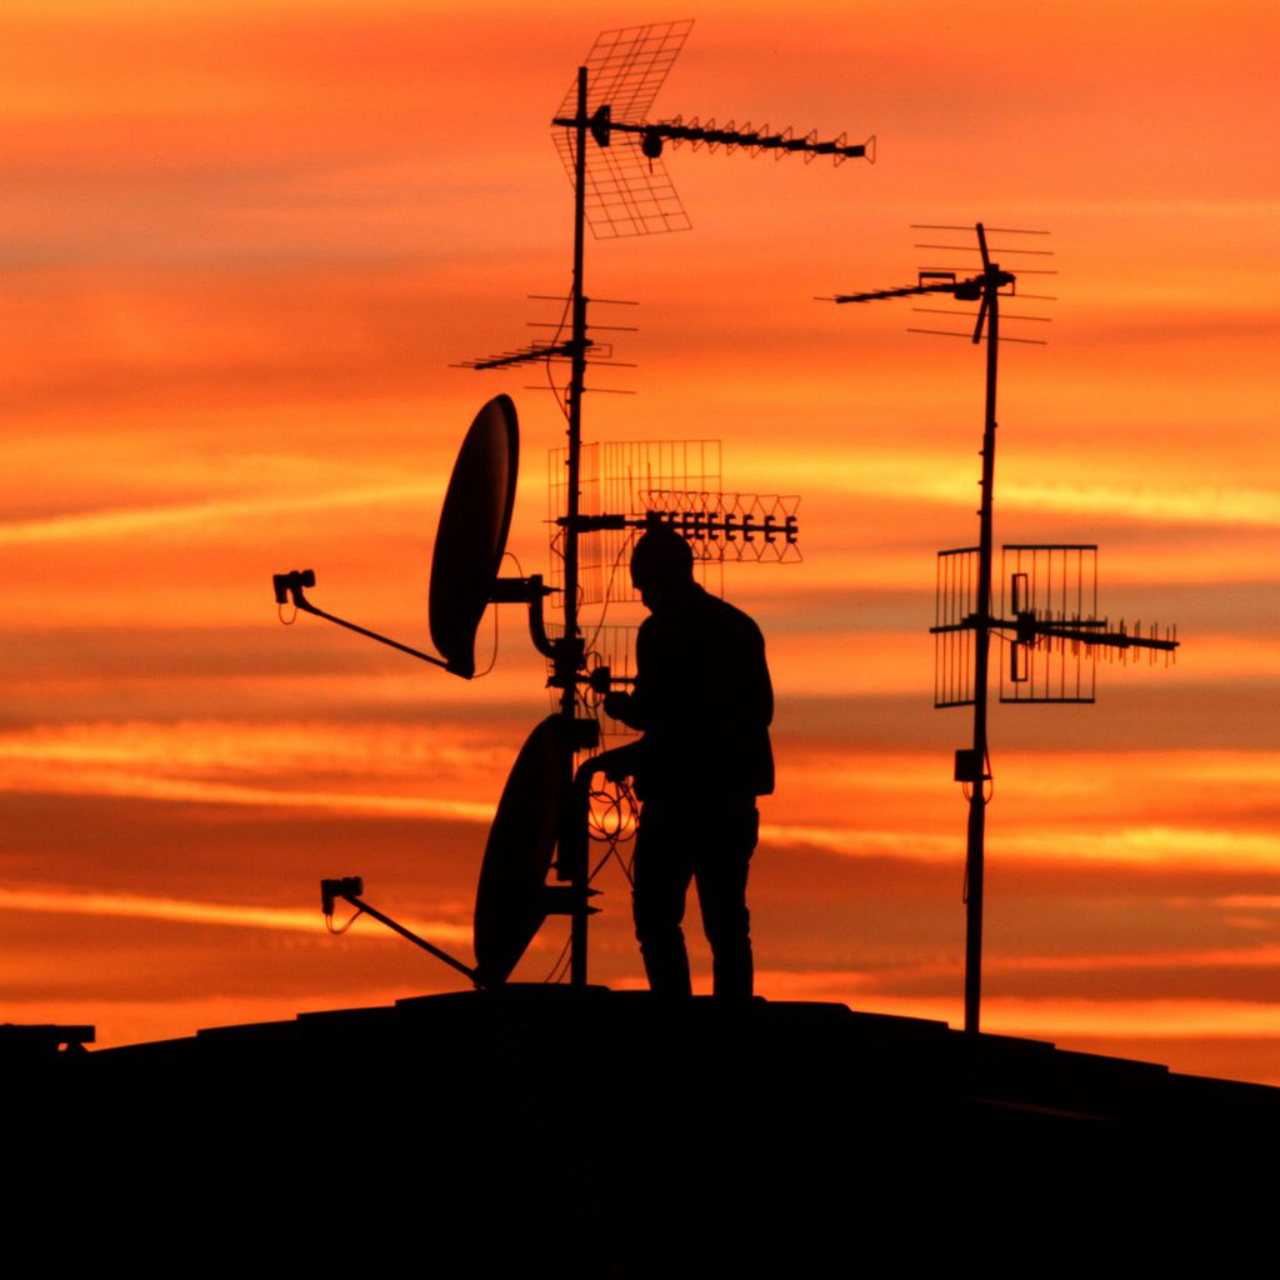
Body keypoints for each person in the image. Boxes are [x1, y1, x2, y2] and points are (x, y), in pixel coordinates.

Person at [604, 524, 774, 999]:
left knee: (669, 917)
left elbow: (684, 720)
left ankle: (681, 1018)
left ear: (664, 576)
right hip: (718, 799)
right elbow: (675, 716)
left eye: (644, 584)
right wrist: (633, 714)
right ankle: (719, 1018)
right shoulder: (735, 627)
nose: (641, 597)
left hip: (692, 799)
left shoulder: (664, 633)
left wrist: (634, 724)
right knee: (717, 919)